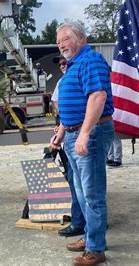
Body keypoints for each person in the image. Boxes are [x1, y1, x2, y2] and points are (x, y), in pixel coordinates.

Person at [50, 22, 114, 265]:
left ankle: (96, 248)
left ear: (81, 39)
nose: (60, 45)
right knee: (81, 191)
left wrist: (85, 133)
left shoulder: (91, 61)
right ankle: (90, 238)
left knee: (92, 193)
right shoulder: (74, 64)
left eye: (65, 39)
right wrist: (62, 131)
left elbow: (97, 97)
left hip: (92, 134)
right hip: (74, 134)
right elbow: (73, 104)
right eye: (58, 42)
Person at [51, 55, 85, 238]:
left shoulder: (80, 76)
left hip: (81, 133)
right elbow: (62, 109)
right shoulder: (61, 82)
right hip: (70, 133)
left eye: (65, 62)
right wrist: (60, 129)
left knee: (86, 184)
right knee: (75, 181)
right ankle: (80, 222)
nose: (62, 65)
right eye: (60, 63)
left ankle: (86, 225)